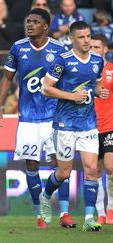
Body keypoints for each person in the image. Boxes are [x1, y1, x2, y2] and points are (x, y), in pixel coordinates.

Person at [0, 8, 76, 229]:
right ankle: (41, 215)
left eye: (35, 22)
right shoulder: (18, 48)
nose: (30, 24)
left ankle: (65, 213)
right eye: (28, 21)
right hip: (28, 117)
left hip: (54, 117)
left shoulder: (60, 50)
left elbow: (69, 80)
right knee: (31, 164)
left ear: (46, 26)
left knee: (59, 164)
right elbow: (7, 77)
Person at [40, 21, 109, 232]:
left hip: (88, 123)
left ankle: (89, 218)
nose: (87, 40)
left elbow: (95, 85)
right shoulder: (63, 61)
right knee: (63, 172)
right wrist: (72, 96)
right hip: (65, 124)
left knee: (91, 171)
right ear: (72, 39)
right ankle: (45, 195)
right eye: (81, 37)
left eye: (88, 36)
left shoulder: (97, 61)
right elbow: (45, 88)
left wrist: (98, 92)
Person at [90, 34, 113, 225]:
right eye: (91, 48)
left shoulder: (112, 70)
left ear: (105, 49)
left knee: (110, 166)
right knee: (95, 171)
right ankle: (100, 212)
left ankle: (111, 207)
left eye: (97, 47)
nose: (94, 51)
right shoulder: (84, 71)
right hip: (90, 128)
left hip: (110, 126)